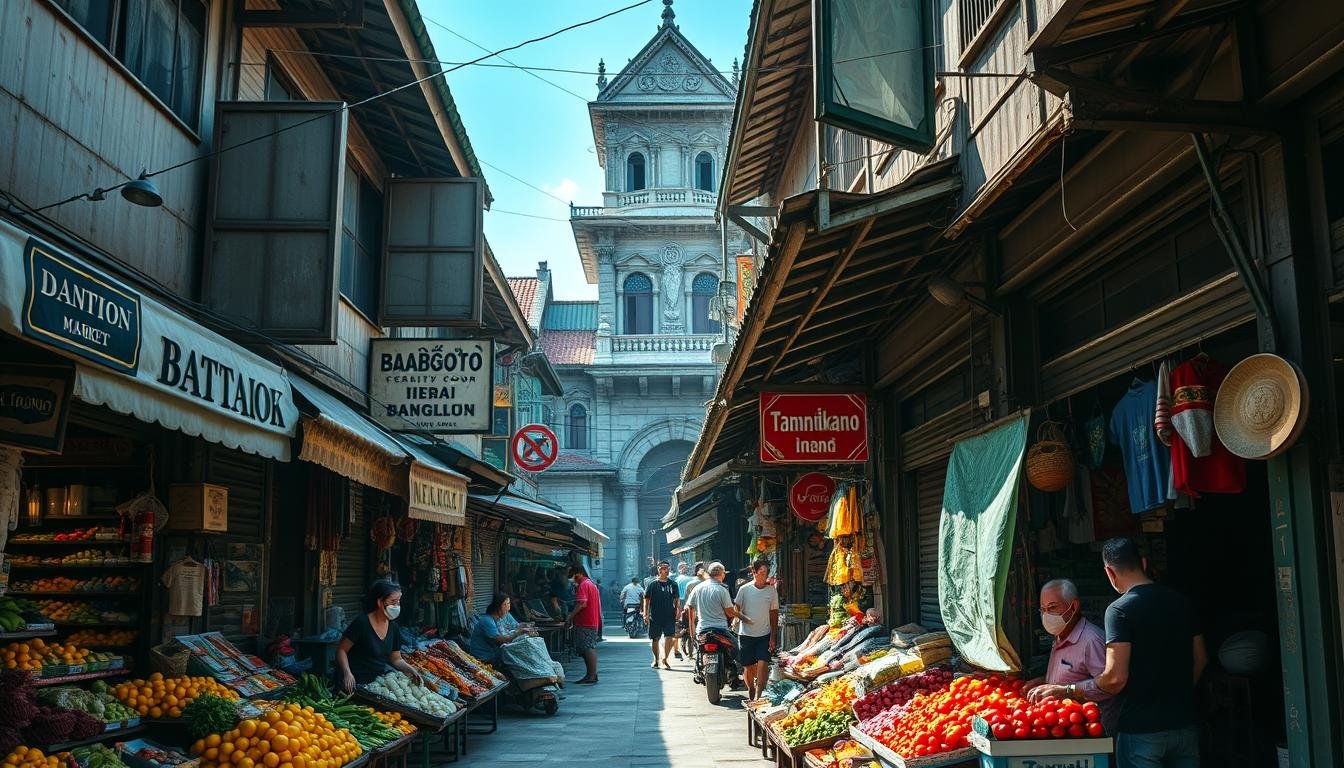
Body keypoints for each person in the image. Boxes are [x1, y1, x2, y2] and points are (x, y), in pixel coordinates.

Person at [1093, 538, 1207, 768]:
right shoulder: (1181, 602)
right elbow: (1201, 659)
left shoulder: (1119, 610)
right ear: (1143, 563)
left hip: (1141, 731)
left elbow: (1115, 678)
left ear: (1109, 573)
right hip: (1184, 725)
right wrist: (1178, 693)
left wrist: (1071, 689)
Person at [1024, 579, 1117, 734]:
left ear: (1073, 606)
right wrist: (1043, 681)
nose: (1047, 615)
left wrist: (1068, 691)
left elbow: (1109, 686)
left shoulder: (1091, 640)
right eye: (1043, 609)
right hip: (1061, 727)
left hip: (1088, 731)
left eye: (1052, 607)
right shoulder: (1061, 635)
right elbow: (1073, 674)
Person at [335, 581, 422, 693]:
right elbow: (341, 650)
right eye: (393, 602)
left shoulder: (393, 627)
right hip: (353, 683)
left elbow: (396, 659)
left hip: (376, 685)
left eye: (399, 602)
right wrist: (347, 673)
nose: (397, 606)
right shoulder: (361, 623)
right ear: (380, 602)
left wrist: (411, 670)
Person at [685, 562, 752, 680]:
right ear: (722, 574)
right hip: (720, 630)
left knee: (699, 652)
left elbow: (690, 608)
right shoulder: (721, 590)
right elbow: (730, 612)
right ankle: (735, 673)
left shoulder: (698, 588)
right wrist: (744, 618)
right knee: (737, 649)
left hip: (702, 629)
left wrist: (692, 631)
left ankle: (699, 670)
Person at [733, 559, 779, 701]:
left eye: (766, 573)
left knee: (763, 663)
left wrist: (773, 637)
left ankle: (758, 697)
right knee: (748, 666)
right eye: (762, 572)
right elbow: (736, 610)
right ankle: (751, 689)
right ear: (754, 572)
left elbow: (774, 615)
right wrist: (744, 618)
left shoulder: (771, 591)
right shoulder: (744, 589)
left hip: (764, 634)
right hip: (746, 634)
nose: (765, 576)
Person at [468, 593, 538, 664]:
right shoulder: (487, 621)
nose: (509, 607)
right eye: (506, 604)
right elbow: (500, 640)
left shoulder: (503, 616)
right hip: (483, 658)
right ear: (498, 606)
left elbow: (516, 626)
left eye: (509, 603)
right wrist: (518, 632)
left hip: (496, 655)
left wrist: (526, 627)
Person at [566, 565, 603, 685]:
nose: (573, 579)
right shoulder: (590, 584)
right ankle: (591, 674)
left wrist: (570, 616)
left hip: (586, 622)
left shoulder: (583, 585)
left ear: (579, 573)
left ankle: (591, 675)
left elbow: (582, 604)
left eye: (573, 576)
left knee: (588, 648)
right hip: (591, 621)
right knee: (588, 647)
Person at [643, 560, 680, 669]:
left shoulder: (673, 584)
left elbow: (676, 599)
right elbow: (647, 600)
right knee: (655, 638)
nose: (663, 569)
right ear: (658, 569)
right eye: (661, 567)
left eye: (666, 567)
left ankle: (666, 658)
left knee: (669, 637)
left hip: (669, 615)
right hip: (655, 616)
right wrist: (645, 614)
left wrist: (678, 610)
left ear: (669, 569)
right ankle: (656, 659)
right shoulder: (652, 584)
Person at [678, 563, 708, 659]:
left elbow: (687, 601)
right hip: (704, 612)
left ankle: (691, 655)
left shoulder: (689, 583)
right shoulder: (708, 584)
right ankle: (702, 654)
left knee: (690, 633)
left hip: (691, 611)